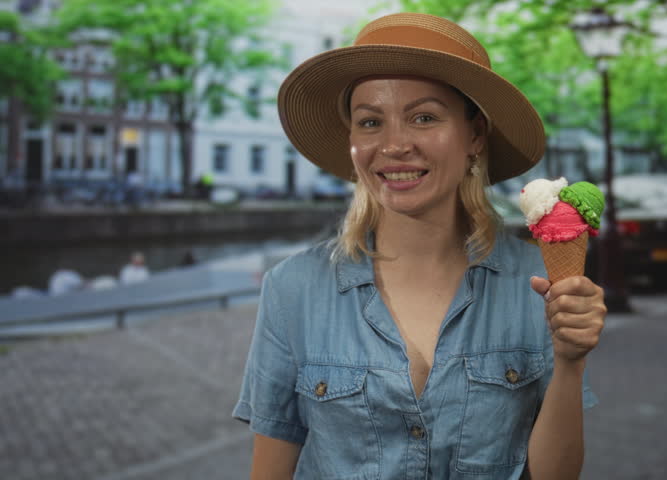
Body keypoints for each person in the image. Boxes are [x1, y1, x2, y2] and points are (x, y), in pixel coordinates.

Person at [233, 13, 606, 480]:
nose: (393, 145)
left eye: (424, 117)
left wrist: (570, 364)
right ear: (352, 141)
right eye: (370, 122)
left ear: (474, 136)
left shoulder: (539, 286)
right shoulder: (293, 289)